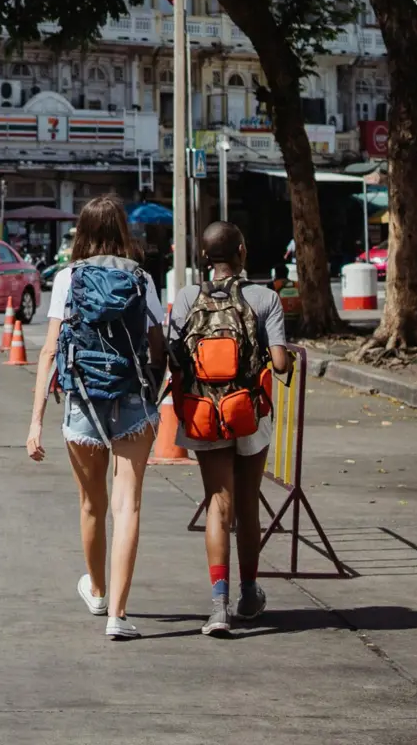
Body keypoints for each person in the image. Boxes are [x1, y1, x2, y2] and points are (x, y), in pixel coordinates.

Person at [27, 194, 166, 641]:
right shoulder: (142, 278)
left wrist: (35, 422)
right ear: (123, 230)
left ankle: (99, 590)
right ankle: (119, 616)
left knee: (92, 504)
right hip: (132, 400)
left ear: (82, 232)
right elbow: (158, 346)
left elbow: (50, 350)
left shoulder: (68, 278)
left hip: (82, 400)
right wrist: (155, 395)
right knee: (128, 506)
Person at [170, 222, 290, 637]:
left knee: (218, 504)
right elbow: (279, 363)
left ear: (205, 257)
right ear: (242, 250)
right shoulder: (264, 298)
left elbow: (174, 354)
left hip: (204, 413)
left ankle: (218, 608)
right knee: (247, 505)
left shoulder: (187, 297)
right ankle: (249, 594)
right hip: (248, 414)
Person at [271, 263, 302, 335]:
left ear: (276, 274)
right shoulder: (297, 284)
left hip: (280, 318)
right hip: (297, 317)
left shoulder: (273, 285)